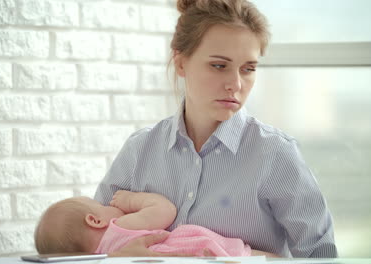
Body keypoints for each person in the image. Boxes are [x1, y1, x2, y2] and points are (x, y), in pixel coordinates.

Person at [94, 0, 338, 258]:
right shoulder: (139, 150)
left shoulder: (275, 154)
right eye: (219, 66)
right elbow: (89, 241)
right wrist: (116, 257)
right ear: (180, 62)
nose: (235, 84)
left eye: (248, 69)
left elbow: (321, 257)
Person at [35, 190, 273, 256]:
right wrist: (132, 199)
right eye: (102, 206)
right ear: (96, 220)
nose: (109, 204)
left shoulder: (103, 256)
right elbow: (165, 210)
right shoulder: (119, 228)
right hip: (183, 248)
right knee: (252, 256)